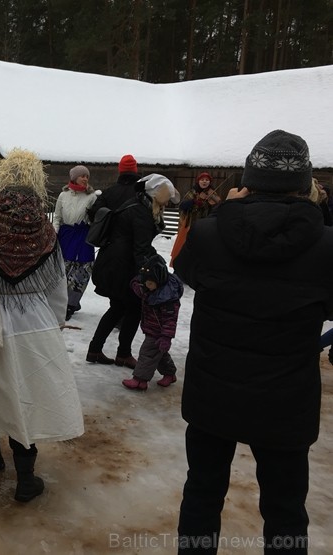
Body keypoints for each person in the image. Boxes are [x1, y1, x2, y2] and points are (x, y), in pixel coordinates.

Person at [174, 130, 333, 554]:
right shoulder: (325, 246)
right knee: (284, 509)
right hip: (286, 401)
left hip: (213, 392)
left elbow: (188, 275)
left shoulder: (209, 235)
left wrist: (228, 214)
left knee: (202, 495)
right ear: (304, 185)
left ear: (249, 178)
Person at [0, 148, 84, 503]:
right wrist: (54, 323)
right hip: (34, 324)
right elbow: (57, 283)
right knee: (26, 398)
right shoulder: (43, 227)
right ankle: (26, 475)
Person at [86, 174, 179, 369]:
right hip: (122, 268)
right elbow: (141, 249)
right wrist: (148, 278)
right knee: (133, 309)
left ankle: (95, 350)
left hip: (114, 263)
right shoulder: (142, 214)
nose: (168, 203)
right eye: (166, 199)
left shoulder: (136, 204)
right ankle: (123, 355)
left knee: (118, 308)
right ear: (157, 195)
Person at [121, 254, 183, 391]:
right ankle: (170, 374)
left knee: (147, 353)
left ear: (159, 280)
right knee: (159, 354)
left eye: (149, 283)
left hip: (159, 332)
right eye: (145, 283)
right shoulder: (151, 289)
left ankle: (140, 380)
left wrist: (166, 337)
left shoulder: (168, 299)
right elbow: (140, 289)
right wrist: (136, 282)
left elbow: (170, 321)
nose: (146, 286)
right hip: (151, 328)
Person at [52, 165, 101, 320]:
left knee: (82, 271)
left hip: (83, 236)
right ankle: (61, 301)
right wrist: (55, 232)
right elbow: (57, 217)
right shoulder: (63, 195)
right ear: (74, 178)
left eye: (87, 176)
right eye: (82, 176)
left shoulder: (92, 197)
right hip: (66, 236)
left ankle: (72, 304)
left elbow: (95, 219)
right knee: (63, 270)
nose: (85, 179)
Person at [169, 171, 221, 266]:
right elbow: (182, 205)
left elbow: (218, 206)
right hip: (190, 223)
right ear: (198, 181)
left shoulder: (212, 193)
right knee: (185, 245)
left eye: (207, 180)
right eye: (202, 180)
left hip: (205, 224)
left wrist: (210, 204)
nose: (204, 182)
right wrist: (194, 202)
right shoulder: (192, 192)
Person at [87, 154, 141, 220]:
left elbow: (94, 213)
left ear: (120, 170)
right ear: (135, 170)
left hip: (114, 229)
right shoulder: (144, 191)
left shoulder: (108, 192)